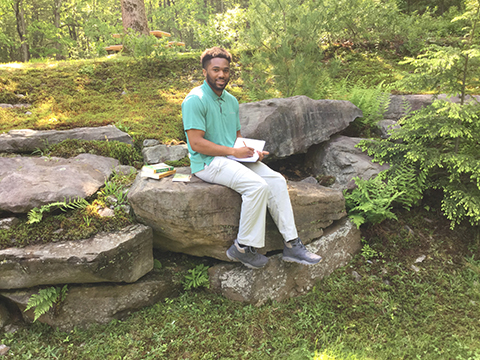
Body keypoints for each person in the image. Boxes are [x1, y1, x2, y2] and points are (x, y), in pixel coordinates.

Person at [181, 46, 322, 269]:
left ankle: (292, 244)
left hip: (231, 158)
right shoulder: (194, 100)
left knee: (275, 180)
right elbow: (196, 143)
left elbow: (236, 138)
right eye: (216, 70)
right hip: (207, 163)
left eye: (226, 70)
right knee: (257, 187)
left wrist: (250, 153)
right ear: (205, 71)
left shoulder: (231, 101)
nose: (221, 75)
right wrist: (233, 152)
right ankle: (242, 248)